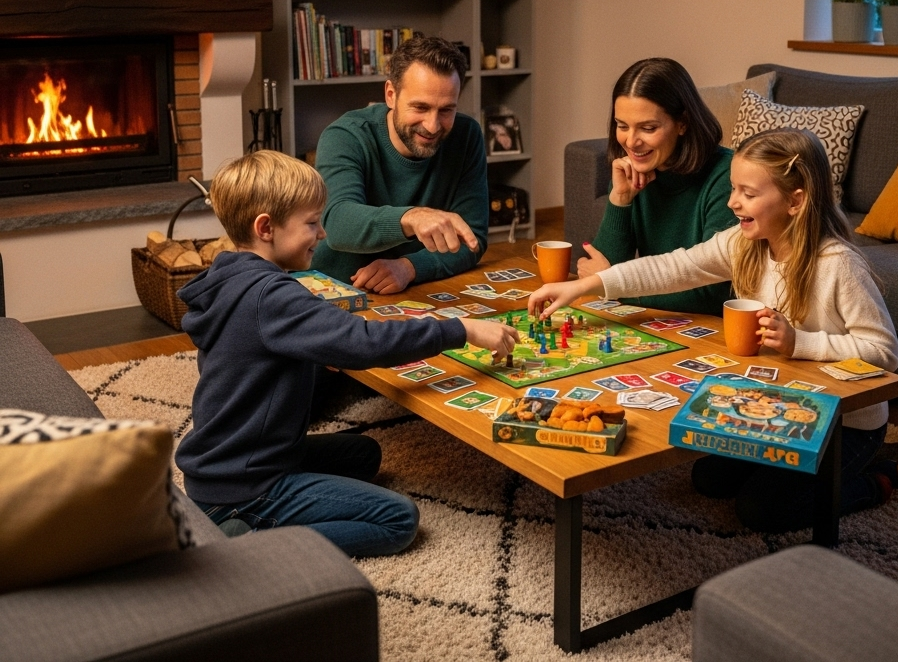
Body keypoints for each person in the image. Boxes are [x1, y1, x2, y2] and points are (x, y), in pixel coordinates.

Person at [529, 128, 898, 534]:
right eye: (733, 188)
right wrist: (584, 286)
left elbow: (884, 350)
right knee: (709, 478)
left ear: (795, 201)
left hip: (845, 424)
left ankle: (878, 478)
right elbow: (674, 267)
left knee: (761, 511)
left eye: (748, 193)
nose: (732, 202)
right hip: (778, 408)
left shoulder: (838, 265)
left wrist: (801, 342)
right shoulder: (744, 243)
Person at [175, 150, 518, 557]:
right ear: (265, 228)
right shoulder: (271, 295)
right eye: (311, 223)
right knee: (398, 520)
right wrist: (462, 329)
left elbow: (253, 353)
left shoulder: (232, 277)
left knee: (364, 455)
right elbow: (366, 341)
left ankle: (247, 513)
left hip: (229, 462)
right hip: (246, 483)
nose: (322, 234)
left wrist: (312, 352)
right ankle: (251, 544)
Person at [312, 35, 487, 294]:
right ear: (391, 95)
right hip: (336, 289)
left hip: (416, 290)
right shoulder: (344, 136)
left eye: (446, 110)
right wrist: (412, 217)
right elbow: (337, 223)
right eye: (420, 107)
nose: (432, 126)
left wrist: (409, 267)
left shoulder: (467, 135)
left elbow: (472, 238)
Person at [578, 58, 736, 315]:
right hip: (662, 322)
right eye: (622, 126)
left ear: (683, 123)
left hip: (715, 326)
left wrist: (614, 285)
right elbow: (604, 266)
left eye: (648, 128)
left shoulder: (728, 177)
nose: (631, 141)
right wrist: (620, 198)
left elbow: (713, 292)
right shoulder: (633, 173)